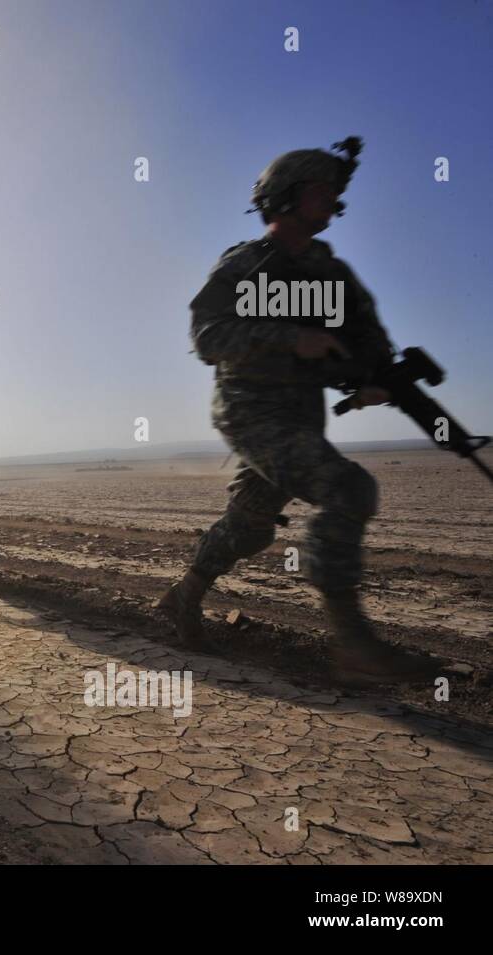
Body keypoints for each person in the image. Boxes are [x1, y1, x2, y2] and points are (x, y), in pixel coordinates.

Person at [156, 137, 431, 682]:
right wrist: (288, 337)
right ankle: (353, 644)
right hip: (249, 411)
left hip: (301, 417)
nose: (332, 202)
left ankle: (181, 598)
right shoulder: (247, 264)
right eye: (321, 191)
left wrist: (377, 382)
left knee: (251, 528)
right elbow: (207, 334)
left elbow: (364, 349)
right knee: (349, 489)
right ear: (285, 197)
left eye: (335, 193)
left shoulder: (334, 275)